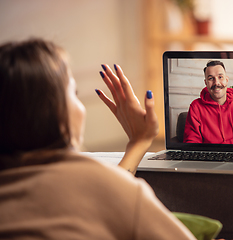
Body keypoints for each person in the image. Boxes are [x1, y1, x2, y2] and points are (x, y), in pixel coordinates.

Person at [0, 39, 195, 239]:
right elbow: (104, 193)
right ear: (54, 112)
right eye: (74, 93)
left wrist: (139, 142)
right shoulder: (115, 190)